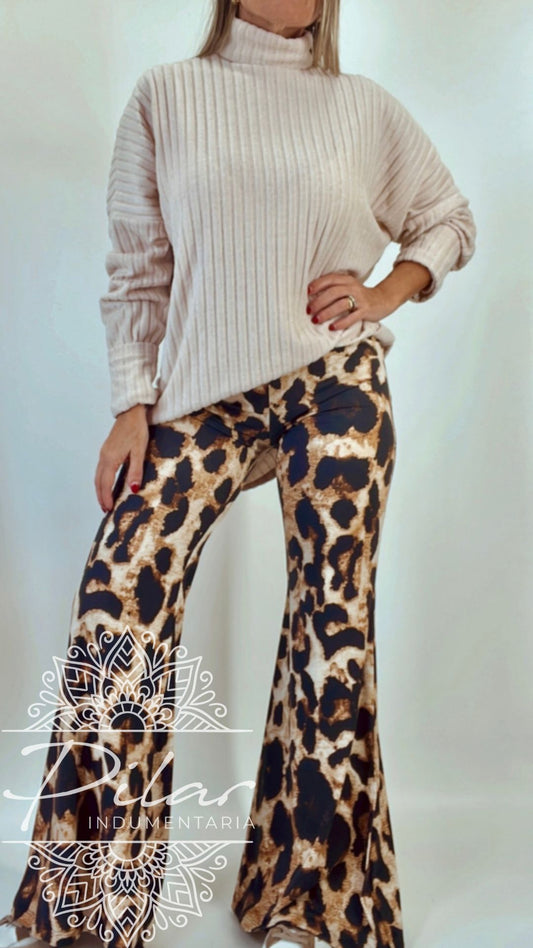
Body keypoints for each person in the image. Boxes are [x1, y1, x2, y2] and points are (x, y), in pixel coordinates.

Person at [0, 1, 476, 947]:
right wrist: (131, 404)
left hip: (331, 382)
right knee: (117, 597)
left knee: (332, 624)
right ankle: (92, 899)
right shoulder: (166, 97)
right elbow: (138, 268)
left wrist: (383, 291)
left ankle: (313, 900)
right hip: (202, 397)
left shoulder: (361, 106)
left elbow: (447, 219)